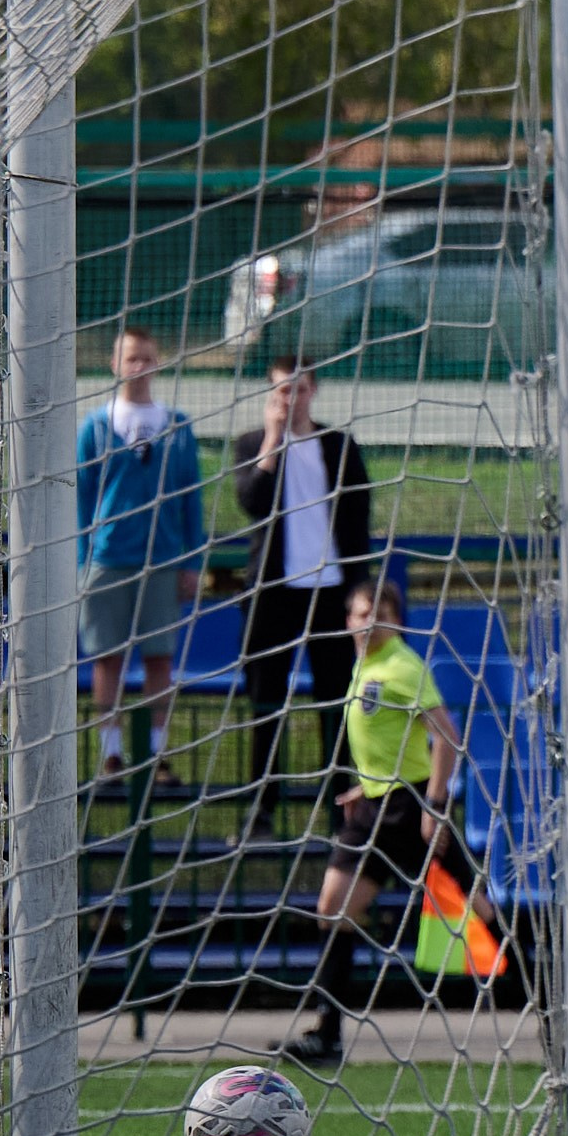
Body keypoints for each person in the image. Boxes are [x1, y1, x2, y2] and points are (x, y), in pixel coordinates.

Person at [282, 576, 504, 1067]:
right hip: (373, 808)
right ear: (348, 621)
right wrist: (367, 784)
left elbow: (446, 736)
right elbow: (390, 740)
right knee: (333, 908)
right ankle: (327, 1033)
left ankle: (547, 1004)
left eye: (378, 614)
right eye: (361, 614)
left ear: (395, 620)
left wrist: (434, 806)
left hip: (410, 811)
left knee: (478, 907)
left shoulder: (402, 666)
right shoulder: (363, 667)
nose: (369, 623)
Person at [231, 357, 373, 843]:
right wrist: (272, 442)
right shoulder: (252, 444)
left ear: (314, 392)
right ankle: (262, 810)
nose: (291, 399)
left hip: (331, 594)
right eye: (281, 391)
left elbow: (358, 524)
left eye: (300, 389)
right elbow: (251, 501)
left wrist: (358, 590)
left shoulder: (340, 447)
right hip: (274, 595)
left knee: (335, 703)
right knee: (267, 701)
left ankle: (340, 809)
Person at [76, 326, 209, 779]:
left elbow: (192, 497)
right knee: (107, 658)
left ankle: (157, 754)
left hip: (163, 560)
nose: (139, 367)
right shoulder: (94, 429)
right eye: (131, 358)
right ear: (114, 364)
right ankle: (110, 753)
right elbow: (81, 502)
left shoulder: (177, 426)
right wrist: (81, 563)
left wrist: (192, 562)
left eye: (147, 358)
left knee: (159, 658)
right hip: (107, 560)